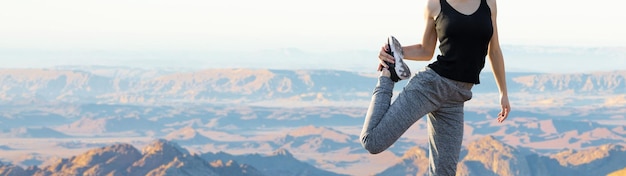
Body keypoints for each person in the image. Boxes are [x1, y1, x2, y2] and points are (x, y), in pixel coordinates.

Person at [359, 0, 511, 175]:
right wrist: (395, 54)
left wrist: (503, 93)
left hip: (457, 98)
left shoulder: (489, 4)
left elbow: (494, 50)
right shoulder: (435, 5)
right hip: (430, 86)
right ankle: (388, 76)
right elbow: (426, 50)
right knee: (372, 141)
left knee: (444, 172)